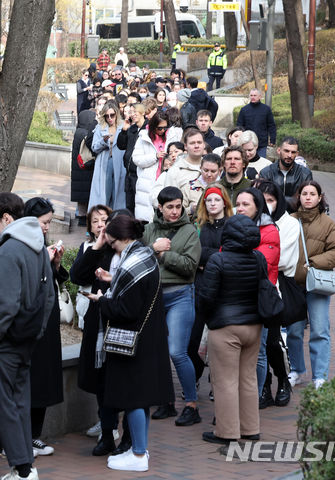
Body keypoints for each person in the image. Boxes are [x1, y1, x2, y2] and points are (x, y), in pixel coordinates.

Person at [85, 215, 174, 472]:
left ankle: (137, 455)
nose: (111, 246)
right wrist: (114, 283)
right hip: (150, 339)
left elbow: (126, 309)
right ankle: (140, 451)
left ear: (124, 238)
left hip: (135, 344)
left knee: (134, 399)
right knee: (142, 400)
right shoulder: (145, 257)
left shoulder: (132, 263)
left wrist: (101, 300)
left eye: (112, 242)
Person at [0, 193, 55, 480]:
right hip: (27, 338)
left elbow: (6, 302)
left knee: (6, 406)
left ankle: (22, 470)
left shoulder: (10, 250)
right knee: (21, 403)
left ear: (7, 218)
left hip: (7, 341)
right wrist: (36, 332)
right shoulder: (39, 246)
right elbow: (49, 297)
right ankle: (26, 468)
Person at [198, 214, 264, 445]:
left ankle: (227, 432)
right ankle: (250, 428)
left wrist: (207, 318)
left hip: (225, 326)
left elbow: (206, 296)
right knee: (248, 378)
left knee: (225, 380)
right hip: (254, 325)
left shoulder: (218, 260)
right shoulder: (258, 258)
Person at [143, 187, 201, 426]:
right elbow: (136, 256)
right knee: (156, 352)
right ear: (160, 207)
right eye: (170, 207)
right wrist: (153, 249)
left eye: (179, 206)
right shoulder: (148, 229)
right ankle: (165, 401)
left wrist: (165, 255)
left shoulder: (190, 231)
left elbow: (190, 266)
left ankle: (191, 405)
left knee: (177, 351)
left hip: (179, 295)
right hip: (153, 296)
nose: (175, 211)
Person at [69, 205, 125, 456]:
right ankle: (107, 425)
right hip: (99, 320)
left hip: (122, 321)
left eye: (107, 221)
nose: (103, 226)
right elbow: (77, 275)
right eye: (97, 222)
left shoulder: (131, 251)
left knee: (117, 377)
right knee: (100, 375)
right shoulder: (95, 250)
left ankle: (113, 428)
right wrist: (97, 247)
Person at [288, 181, 335, 389]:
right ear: (299, 197)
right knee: (294, 330)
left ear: (320, 198)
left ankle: (319, 375)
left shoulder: (327, 223)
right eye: (304, 193)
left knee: (319, 330)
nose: (308, 197)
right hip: (293, 284)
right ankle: (296, 370)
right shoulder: (290, 221)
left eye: (313, 194)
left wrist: (313, 263)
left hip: (318, 283)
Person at [23, 198, 68, 457]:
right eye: (44, 223)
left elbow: (54, 280)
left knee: (45, 377)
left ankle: (35, 435)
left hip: (48, 321)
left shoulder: (42, 247)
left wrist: (55, 264)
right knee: (31, 377)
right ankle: (22, 438)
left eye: (49, 223)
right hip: (31, 322)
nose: (46, 228)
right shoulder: (20, 246)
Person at [253, 179, 300, 408]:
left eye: (270, 200)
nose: (266, 204)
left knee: (272, 342)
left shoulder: (289, 224)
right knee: (256, 345)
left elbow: (280, 259)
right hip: (250, 288)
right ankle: (263, 387)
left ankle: (283, 380)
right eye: (262, 199)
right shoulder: (249, 221)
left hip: (275, 290)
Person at [189, 184, 233, 391]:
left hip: (223, 291)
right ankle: (194, 377)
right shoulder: (200, 226)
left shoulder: (231, 226)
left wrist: (208, 258)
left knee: (220, 344)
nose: (213, 203)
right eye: (209, 200)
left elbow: (227, 254)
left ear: (224, 202)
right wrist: (211, 255)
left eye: (216, 200)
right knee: (192, 342)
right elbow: (195, 254)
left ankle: (217, 384)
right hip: (200, 288)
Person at [132, 111, 181, 222]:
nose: (163, 130)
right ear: (153, 126)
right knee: (146, 218)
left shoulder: (172, 135)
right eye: (160, 128)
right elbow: (137, 159)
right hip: (147, 180)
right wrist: (155, 156)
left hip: (166, 178)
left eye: (165, 127)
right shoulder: (143, 137)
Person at [234, 188, 280, 286]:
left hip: (258, 292)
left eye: (245, 204)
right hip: (234, 290)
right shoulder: (232, 228)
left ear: (257, 207)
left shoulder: (269, 231)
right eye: (237, 204)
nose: (240, 208)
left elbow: (260, 267)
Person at [150, 129, 205, 209]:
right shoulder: (175, 171)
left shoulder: (211, 166)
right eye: (192, 143)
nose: (196, 146)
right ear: (185, 146)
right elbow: (169, 203)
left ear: (204, 144)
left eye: (199, 142)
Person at [88, 100, 126, 212]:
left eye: (112, 115)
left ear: (116, 114)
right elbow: (94, 147)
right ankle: (102, 215)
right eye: (107, 116)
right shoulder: (100, 128)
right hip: (104, 163)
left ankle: (116, 217)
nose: (110, 118)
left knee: (118, 192)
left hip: (120, 163)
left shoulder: (123, 126)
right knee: (105, 192)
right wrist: (103, 141)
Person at [259, 137, 313, 203]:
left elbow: (307, 199)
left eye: (293, 152)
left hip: (297, 212)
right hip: (272, 212)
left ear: (297, 154)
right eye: (286, 151)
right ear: (279, 150)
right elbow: (262, 199)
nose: (289, 155)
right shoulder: (266, 173)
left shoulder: (305, 174)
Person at [117, 103, 147, 215]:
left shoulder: (148, 128)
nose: (133, 114)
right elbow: (121, 145)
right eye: (131, 112)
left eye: (135, 112)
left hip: (140, 173)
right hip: (129, 173)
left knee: (140, 205)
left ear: (143, 112)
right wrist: (124, 130)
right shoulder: (131, 129)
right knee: (129, 204)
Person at [71, 109, 99, 223]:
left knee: (81, 195)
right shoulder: (84, 133)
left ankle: (81, 215)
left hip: (79, 168)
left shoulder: (78, 131)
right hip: (85, 168)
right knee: (85, 194)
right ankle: (83, 217)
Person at [236, 89, 277, 158]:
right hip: (247, 144)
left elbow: (271, 125)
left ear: (260, 97)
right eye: (251, 95)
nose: (253, 97)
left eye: (255, 95)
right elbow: (239, 126)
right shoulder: (244, 110)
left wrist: (273, 139)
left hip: (262, 144)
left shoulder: (266, 109)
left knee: (261, 165)